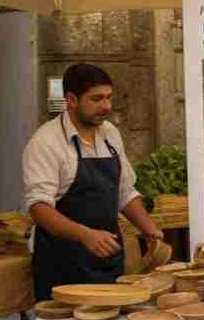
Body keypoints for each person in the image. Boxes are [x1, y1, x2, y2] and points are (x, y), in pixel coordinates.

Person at [22, 63, 163, 302]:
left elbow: (124, 191)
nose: (106, 106)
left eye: (109, 97)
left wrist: (149, 229)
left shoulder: (110, 133)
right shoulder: (45, 143)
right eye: (96, 99)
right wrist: (85, 235)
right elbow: (39, 208)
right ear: (71, 100)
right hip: (62, 264)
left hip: (107, 258)